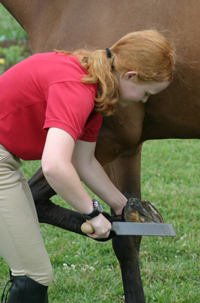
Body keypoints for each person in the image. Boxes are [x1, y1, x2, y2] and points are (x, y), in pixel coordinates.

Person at [0, 30, 175, 302]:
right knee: (33, 274)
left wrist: (121, 206)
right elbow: (55, 166)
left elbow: (83, 161)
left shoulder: (95, 86)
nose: (144, 101)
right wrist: (92, 213)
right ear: (130, 76)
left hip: (7, 161)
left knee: (32, 271)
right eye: (146, 93)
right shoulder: (77, 88)